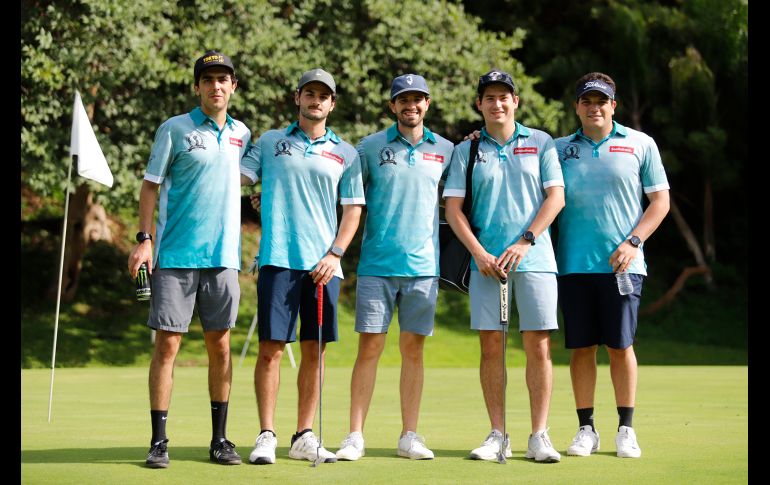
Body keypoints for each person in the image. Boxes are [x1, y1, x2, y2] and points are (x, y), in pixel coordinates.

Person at [127, 50, 250, 468]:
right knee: (168, 346)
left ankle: (220, 440)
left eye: (224, 79)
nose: (217, 85)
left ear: (233, 86)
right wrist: (145, 239)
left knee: (221, 346)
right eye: (209, 79)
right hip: (176, 255)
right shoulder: (174, 129)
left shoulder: (242, 135)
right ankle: (159, 441)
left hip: (223, 258)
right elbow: (150, 187)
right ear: (197, 86)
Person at [240, 68, 365, 465]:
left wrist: (335, 253)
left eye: (323, 95)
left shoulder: (346, 152)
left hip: (324, 266)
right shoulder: (271, 141)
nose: (316, 100)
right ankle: (266, 435)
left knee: (316, 351)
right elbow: (237, 176)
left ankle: (304, 435)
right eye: (309, 93)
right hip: (278, 258)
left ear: (332, 103)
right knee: (271, 350)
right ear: (298, 98)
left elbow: (353, 210)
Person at [444, 69, 564, 463]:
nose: (498, 103)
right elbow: (454, 209)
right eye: (490, 97)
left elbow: (555, 198)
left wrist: (526, 240)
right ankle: (498, 434)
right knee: (491, 347)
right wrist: (478, 252)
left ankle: (539, 435)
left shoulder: (541, 142)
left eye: (504, 96)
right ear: (479, 104)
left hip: (535, 259)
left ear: (516, 102)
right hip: (487, 265)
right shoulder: (468, 151)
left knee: (539, 345)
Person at [334, 74, 454, 462]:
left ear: (427, 103)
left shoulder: (448, 150)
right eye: (403, 100)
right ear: (392, 106)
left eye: (418, 99)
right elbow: (347, 199)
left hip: (424, 267)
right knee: (369, 348)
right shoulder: (369, 147)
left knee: (413, 351)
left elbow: (462, 200)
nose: (411, 106)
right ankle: (355, 435)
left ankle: (409, 436)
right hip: (376, 265)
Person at [554, 72, 670, 459]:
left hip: (624, 265)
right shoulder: (557, 149)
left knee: (621, 346)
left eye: (601, 101)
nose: (594, 107)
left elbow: (660, 202)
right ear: (577, 107)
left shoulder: (640, 143)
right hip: (572, 264)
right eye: (586, 101)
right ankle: (586, 428)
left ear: (613, 106)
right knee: (582, 347)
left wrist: (634, 241)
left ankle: (626, 428)